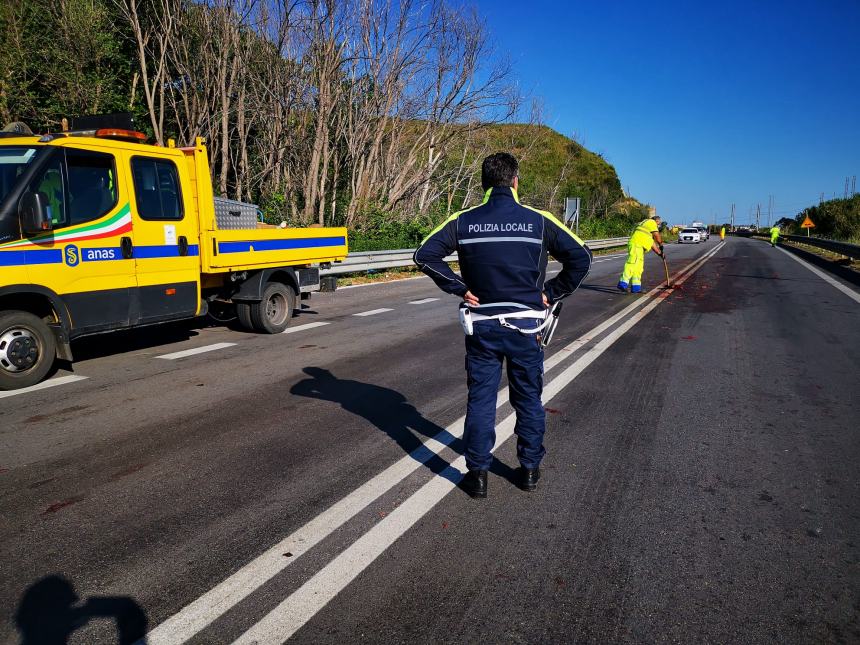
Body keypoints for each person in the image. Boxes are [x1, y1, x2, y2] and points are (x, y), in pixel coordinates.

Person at [414, 153, 592, 498]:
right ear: (515, 180)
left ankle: (477, 475)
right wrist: (552, 292)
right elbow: (581, 257)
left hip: (482, 327)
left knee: (481, 400)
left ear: (483, 182)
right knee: (528, 399)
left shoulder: (463, 220)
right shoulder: (538, 220)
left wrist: (459, 288)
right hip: (526, 327)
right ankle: (528, 470)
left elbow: (424, 255)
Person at [618, 214, 664, 293]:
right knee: (632, 263)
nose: (658, 226)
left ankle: (636, 287)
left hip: (640, 248)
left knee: (638, 268)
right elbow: (657, 236)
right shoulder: (651, 222)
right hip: (636, 245)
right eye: (659, 224)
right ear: (656, 220)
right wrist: (661, 244)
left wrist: (660, 253)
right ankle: (623, 283)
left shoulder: (647, 229)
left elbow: (652, 244)